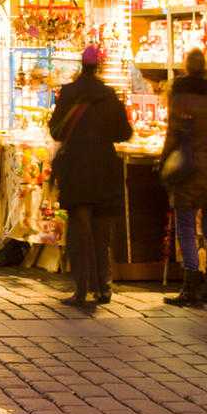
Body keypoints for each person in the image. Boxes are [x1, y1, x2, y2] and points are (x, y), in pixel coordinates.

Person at [50, 46, 133, 308]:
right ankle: (104, 287)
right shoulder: (109, 96)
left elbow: (55, 131)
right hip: (103, 169)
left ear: (80, 65)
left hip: (76, 168)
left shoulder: (69, 93)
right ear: (98, 66)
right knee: (101, 232)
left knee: (79, 231)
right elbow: (124, 133)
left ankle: (81, 289)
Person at [161, 48, 207, 307]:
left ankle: (191, 283)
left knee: (186, 225)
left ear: (186, 66)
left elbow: (172, 134)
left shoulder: (178, 94)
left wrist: (164, 160)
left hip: (187, 168)